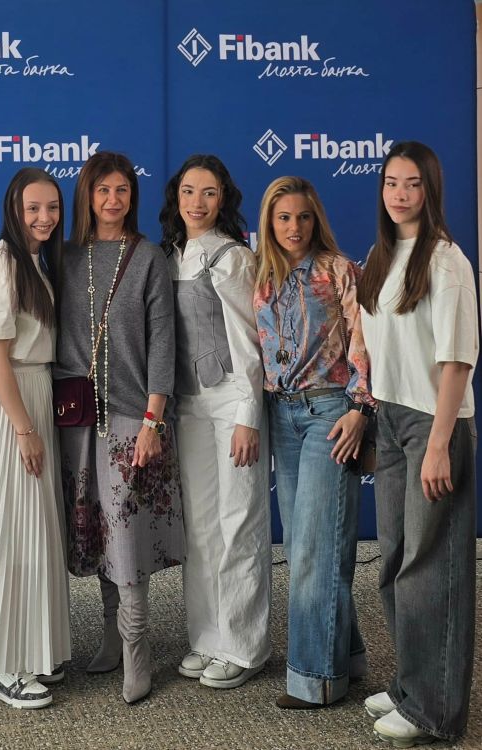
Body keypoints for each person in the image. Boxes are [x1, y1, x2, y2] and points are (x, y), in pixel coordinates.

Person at [358, 142, 478, 747]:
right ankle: (411, 683)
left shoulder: (447, 261)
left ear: (430, 190)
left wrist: (438, 444)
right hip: (391, 417)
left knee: (432, 570)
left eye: (412, 184)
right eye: (391, 183)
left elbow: (457, 361)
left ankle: (434, 709)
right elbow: (372, 333)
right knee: (397, 563)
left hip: (435, 422)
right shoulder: (382, 255)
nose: (400, 194)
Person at [54, 151, 184, 704]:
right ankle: (110, 634)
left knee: (126, 536)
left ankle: (137, 648)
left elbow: (163, 343)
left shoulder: (148, 257)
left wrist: (155, 418)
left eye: (122, 190)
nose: (113, 200)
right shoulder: (64, 256)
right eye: (103, 190)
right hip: (75, 416)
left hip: (132, 415)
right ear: (87, 194)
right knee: (96, 528)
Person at [253, 176, 375, 708]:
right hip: (281, 415)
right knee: (306, 544)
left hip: (331, 413)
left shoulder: (339, 270)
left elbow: (366, 342)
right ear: (269, 222)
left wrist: (360, 409)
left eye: (303, 217)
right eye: (283, 218)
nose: (294, 227)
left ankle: (315, 680)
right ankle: (348, 655)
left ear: (316, 219)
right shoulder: (260, 276)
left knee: (315, 550)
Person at [159, 155, 271, 689]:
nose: (197, 202)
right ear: (176, 197)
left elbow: (250, 345)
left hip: (230, 403)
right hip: (188, 406)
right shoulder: (169, 256)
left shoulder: (233, 257)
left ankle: (244, 646)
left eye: (208, 192)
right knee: (201, 528)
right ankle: (206, 638)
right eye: (188, 191)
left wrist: (249, 415)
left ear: (222, 198)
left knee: (238, 520)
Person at [0, 168, 71, 708]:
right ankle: (3, 665)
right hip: (11, 401)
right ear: (13, 209)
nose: (44, 217)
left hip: (35, 392)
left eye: (52, 207)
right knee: (9, 525)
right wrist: (24, 428)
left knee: (33, 526)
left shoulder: (35, 264)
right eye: (33, 208)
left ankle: (30, 650)